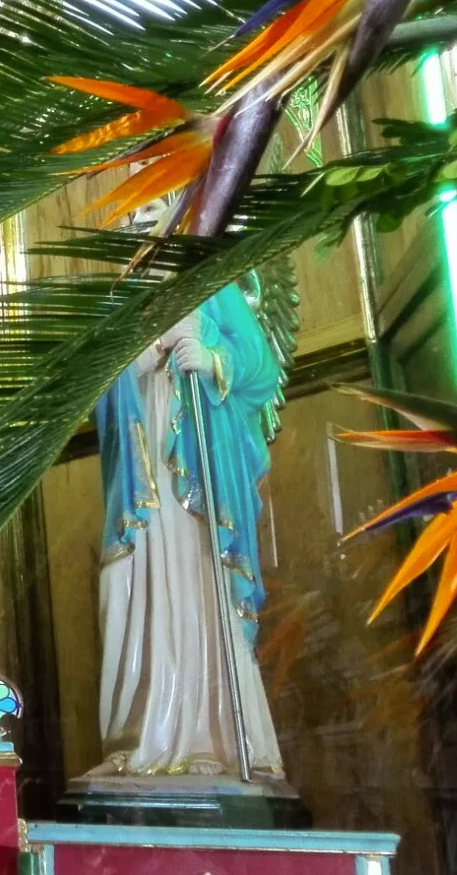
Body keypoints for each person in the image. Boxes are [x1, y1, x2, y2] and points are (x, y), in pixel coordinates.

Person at [88, 273, 288, 781]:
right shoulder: (120, 294)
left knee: (199, 585)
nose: (147, 233)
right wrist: (150, 350)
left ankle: (212, 736)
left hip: (200, 468)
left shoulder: (210, 285)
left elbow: (261, 368)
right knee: (135, 586)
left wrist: (212, 358)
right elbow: (92, 389)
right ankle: (139, 735)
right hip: (141, 470)